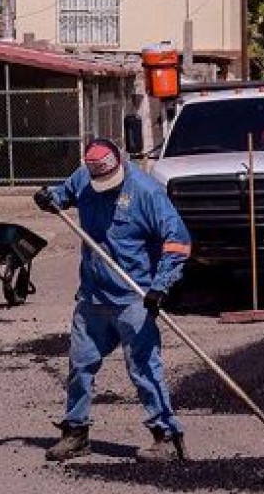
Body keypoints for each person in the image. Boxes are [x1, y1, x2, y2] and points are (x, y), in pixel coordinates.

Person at [33, 138, 191, 462]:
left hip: (133, 298)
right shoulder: (84, 178)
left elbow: (178, 241)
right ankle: (76, 432)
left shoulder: (146, 192)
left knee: (145, 369)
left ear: (120, 162)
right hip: (93, 297)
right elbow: (64, 194)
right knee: (80, 365)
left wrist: (160, 286)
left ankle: (167, 436)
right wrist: (49, 198)